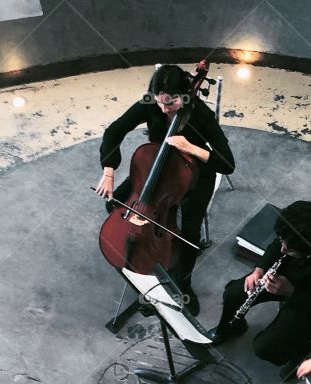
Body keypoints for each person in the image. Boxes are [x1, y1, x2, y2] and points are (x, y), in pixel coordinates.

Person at [95, 64, 236, 315]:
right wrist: (108, 170)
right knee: (114, 203)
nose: (163, 109)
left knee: (189, 234)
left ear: (185, 96)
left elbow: (227, 164)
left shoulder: (201, 115)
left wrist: (191, 148)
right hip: (153, 168)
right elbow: (114, 131)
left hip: (194, 176)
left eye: (170, 104)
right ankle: (142, 261)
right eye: (160, 103)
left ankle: (184, 284)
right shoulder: (151, 103)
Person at [210, 200, 311, 378]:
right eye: (283, 243)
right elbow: (280, 244)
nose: (282, 249)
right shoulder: (300, 219)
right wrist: (259, 270)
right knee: (234, 293)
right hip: (303, 273)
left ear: (309, 249)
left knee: (264, 347)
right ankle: (232, 327)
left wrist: (291, 291)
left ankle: (301, 355)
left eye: (289, 250)